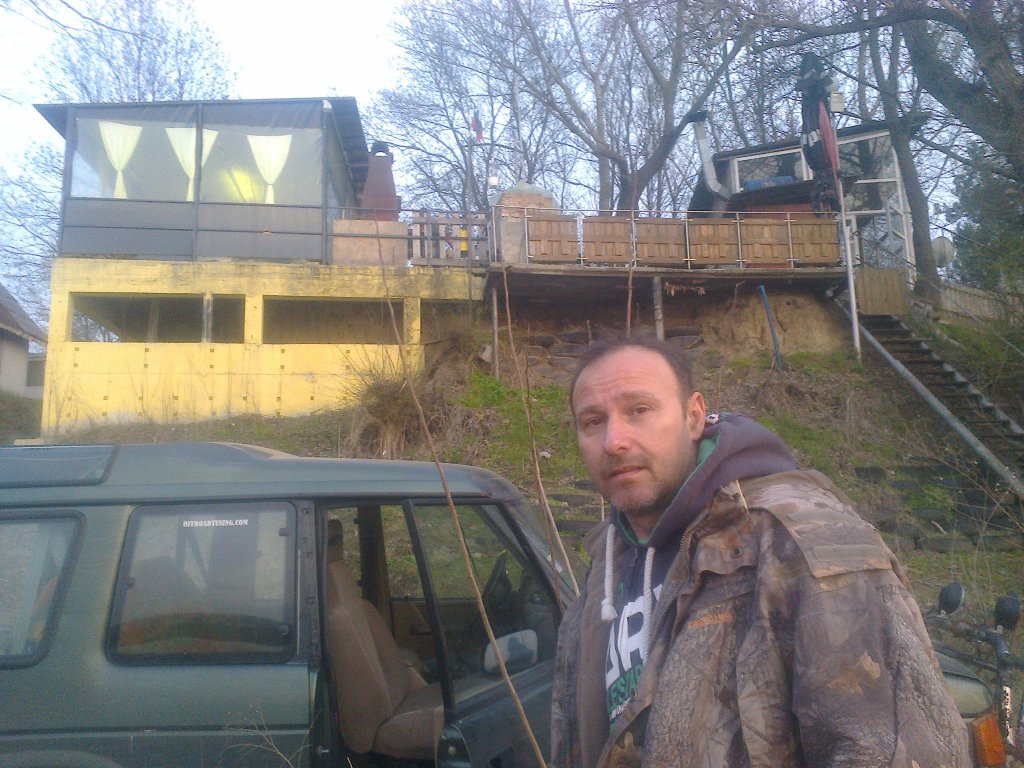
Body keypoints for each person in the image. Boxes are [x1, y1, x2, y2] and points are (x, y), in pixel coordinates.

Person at [551, 334, 970, 768]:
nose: (613, 441)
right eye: (593, 421)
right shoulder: (607, 560)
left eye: (639, 410)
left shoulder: (801, 539)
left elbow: (895, 752)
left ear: (693, 417)